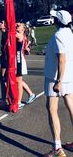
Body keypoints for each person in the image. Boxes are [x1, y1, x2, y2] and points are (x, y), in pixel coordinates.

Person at [44, 10, 73, 157]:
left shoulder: (58, 35)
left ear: (58, 21)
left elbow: (61, 58)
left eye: (54, 17)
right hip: (68, 76)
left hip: (55, 77)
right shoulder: (70, 34)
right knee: (71, 107)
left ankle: (57, 147)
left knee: (52, 109)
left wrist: (58, 81)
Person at [16, 23, 36, 109]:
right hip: (18, 59)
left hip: (19, 59)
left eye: (19, 25)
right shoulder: (21, 35)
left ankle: (19, 102)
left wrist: (11, 24)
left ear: (23, 29)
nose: (17, 25)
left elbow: (11, 32)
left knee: (18, 80)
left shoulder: (20, 35)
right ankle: (31, 94)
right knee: (18, 80)